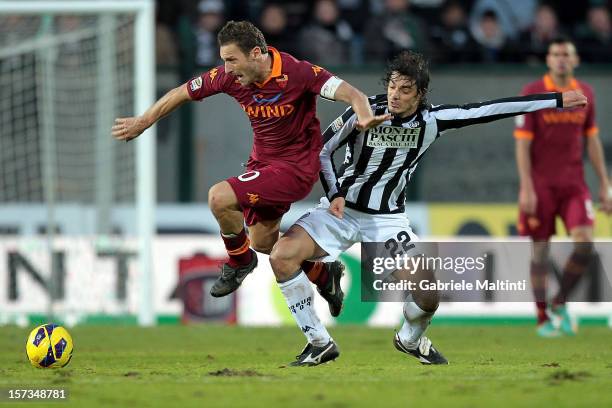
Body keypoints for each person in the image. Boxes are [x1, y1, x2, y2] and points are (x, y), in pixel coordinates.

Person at [268, 50, 587, 366]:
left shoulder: (433, 121)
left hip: (387, 221)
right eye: (392, 86)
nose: (395, 94)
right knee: (282, 256)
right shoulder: (364, 110)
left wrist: (556, 100)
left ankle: (410, 339)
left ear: (419, 94)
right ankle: (318, 342)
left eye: (405, 90)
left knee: (428, 297)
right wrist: (335, 191)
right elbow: (321, 152)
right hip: (340, 212)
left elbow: (490, 109)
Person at [112, 21, 389, 316]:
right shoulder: (229, 77)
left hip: (296, 168)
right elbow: (181, 92)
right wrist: (143, 121)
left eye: (232, 59)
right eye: (224, 60)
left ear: (256, 53)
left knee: (219, 197)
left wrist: (364, 116)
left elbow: (353, 94)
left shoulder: (299, 72)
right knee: (263, 242)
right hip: (263, 165)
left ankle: (239, 261)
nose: (227, 68)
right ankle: (324, 275)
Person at [514, 37, 612, 337]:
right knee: (540, 253)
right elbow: (522, 144)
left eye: (566, 54)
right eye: (555, 54)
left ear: (576, 60)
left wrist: (605, 184)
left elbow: (592, 140)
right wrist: (527, 187)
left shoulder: (586, 93)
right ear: (547, 59)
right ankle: (543, 318)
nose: (560, 59)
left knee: (584, 243)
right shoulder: (532, 93)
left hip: (574, 184)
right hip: (541, 185)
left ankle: (560, 301)